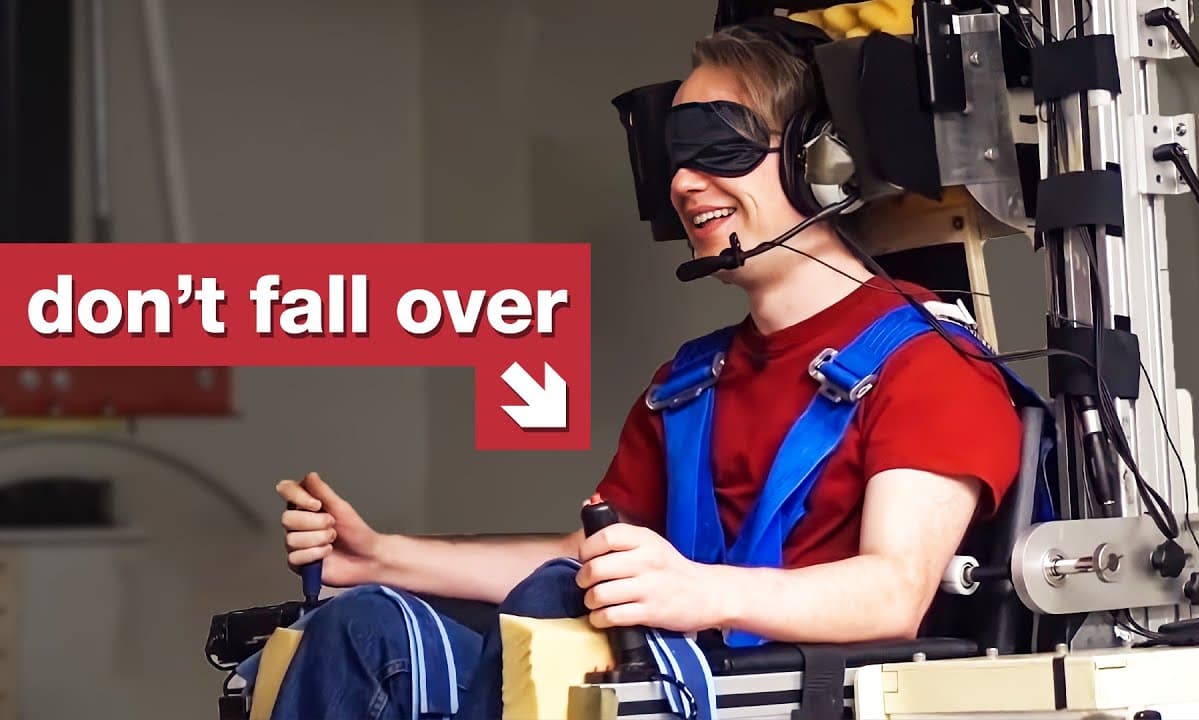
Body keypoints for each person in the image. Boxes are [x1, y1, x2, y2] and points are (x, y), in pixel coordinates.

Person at [266, 17, 1022, 720]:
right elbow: (586, 563)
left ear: (823, 160)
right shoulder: (690, 384)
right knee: (368, 633)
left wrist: (696, 592)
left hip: (793, 700)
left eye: (720, 145)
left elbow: (893, 592)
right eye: (677, 157)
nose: (685, 184)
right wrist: (384, 560)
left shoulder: (930, 364)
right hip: (668, 688)